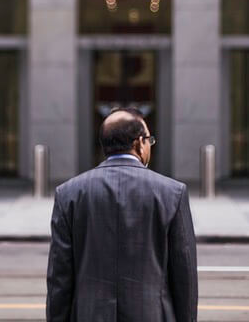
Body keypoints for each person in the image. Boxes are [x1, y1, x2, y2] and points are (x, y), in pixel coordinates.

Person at [46, 107, 198, 322]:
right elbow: (185, 278)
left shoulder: (69, 194)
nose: (150, 146)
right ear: (138, 143)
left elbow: (59, 279)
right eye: (149, 140)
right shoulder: (172, 193)